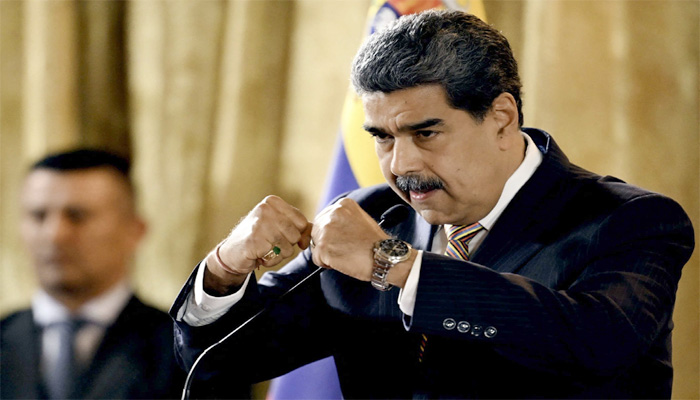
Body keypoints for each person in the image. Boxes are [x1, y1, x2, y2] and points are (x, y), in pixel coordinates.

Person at [170, 10, 694, 399]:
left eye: (425, 133)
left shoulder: (631, 220)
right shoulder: (373, 215)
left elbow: (596, 344)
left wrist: (396, 266)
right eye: (382, 137)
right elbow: (215, 361)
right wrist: (225, 267)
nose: (400, 164)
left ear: (502, 118)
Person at [1, 149, 184, 399]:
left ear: (134, 230)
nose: (54, 235)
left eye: (77, 216)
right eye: (38, 216)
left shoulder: (183, 353)